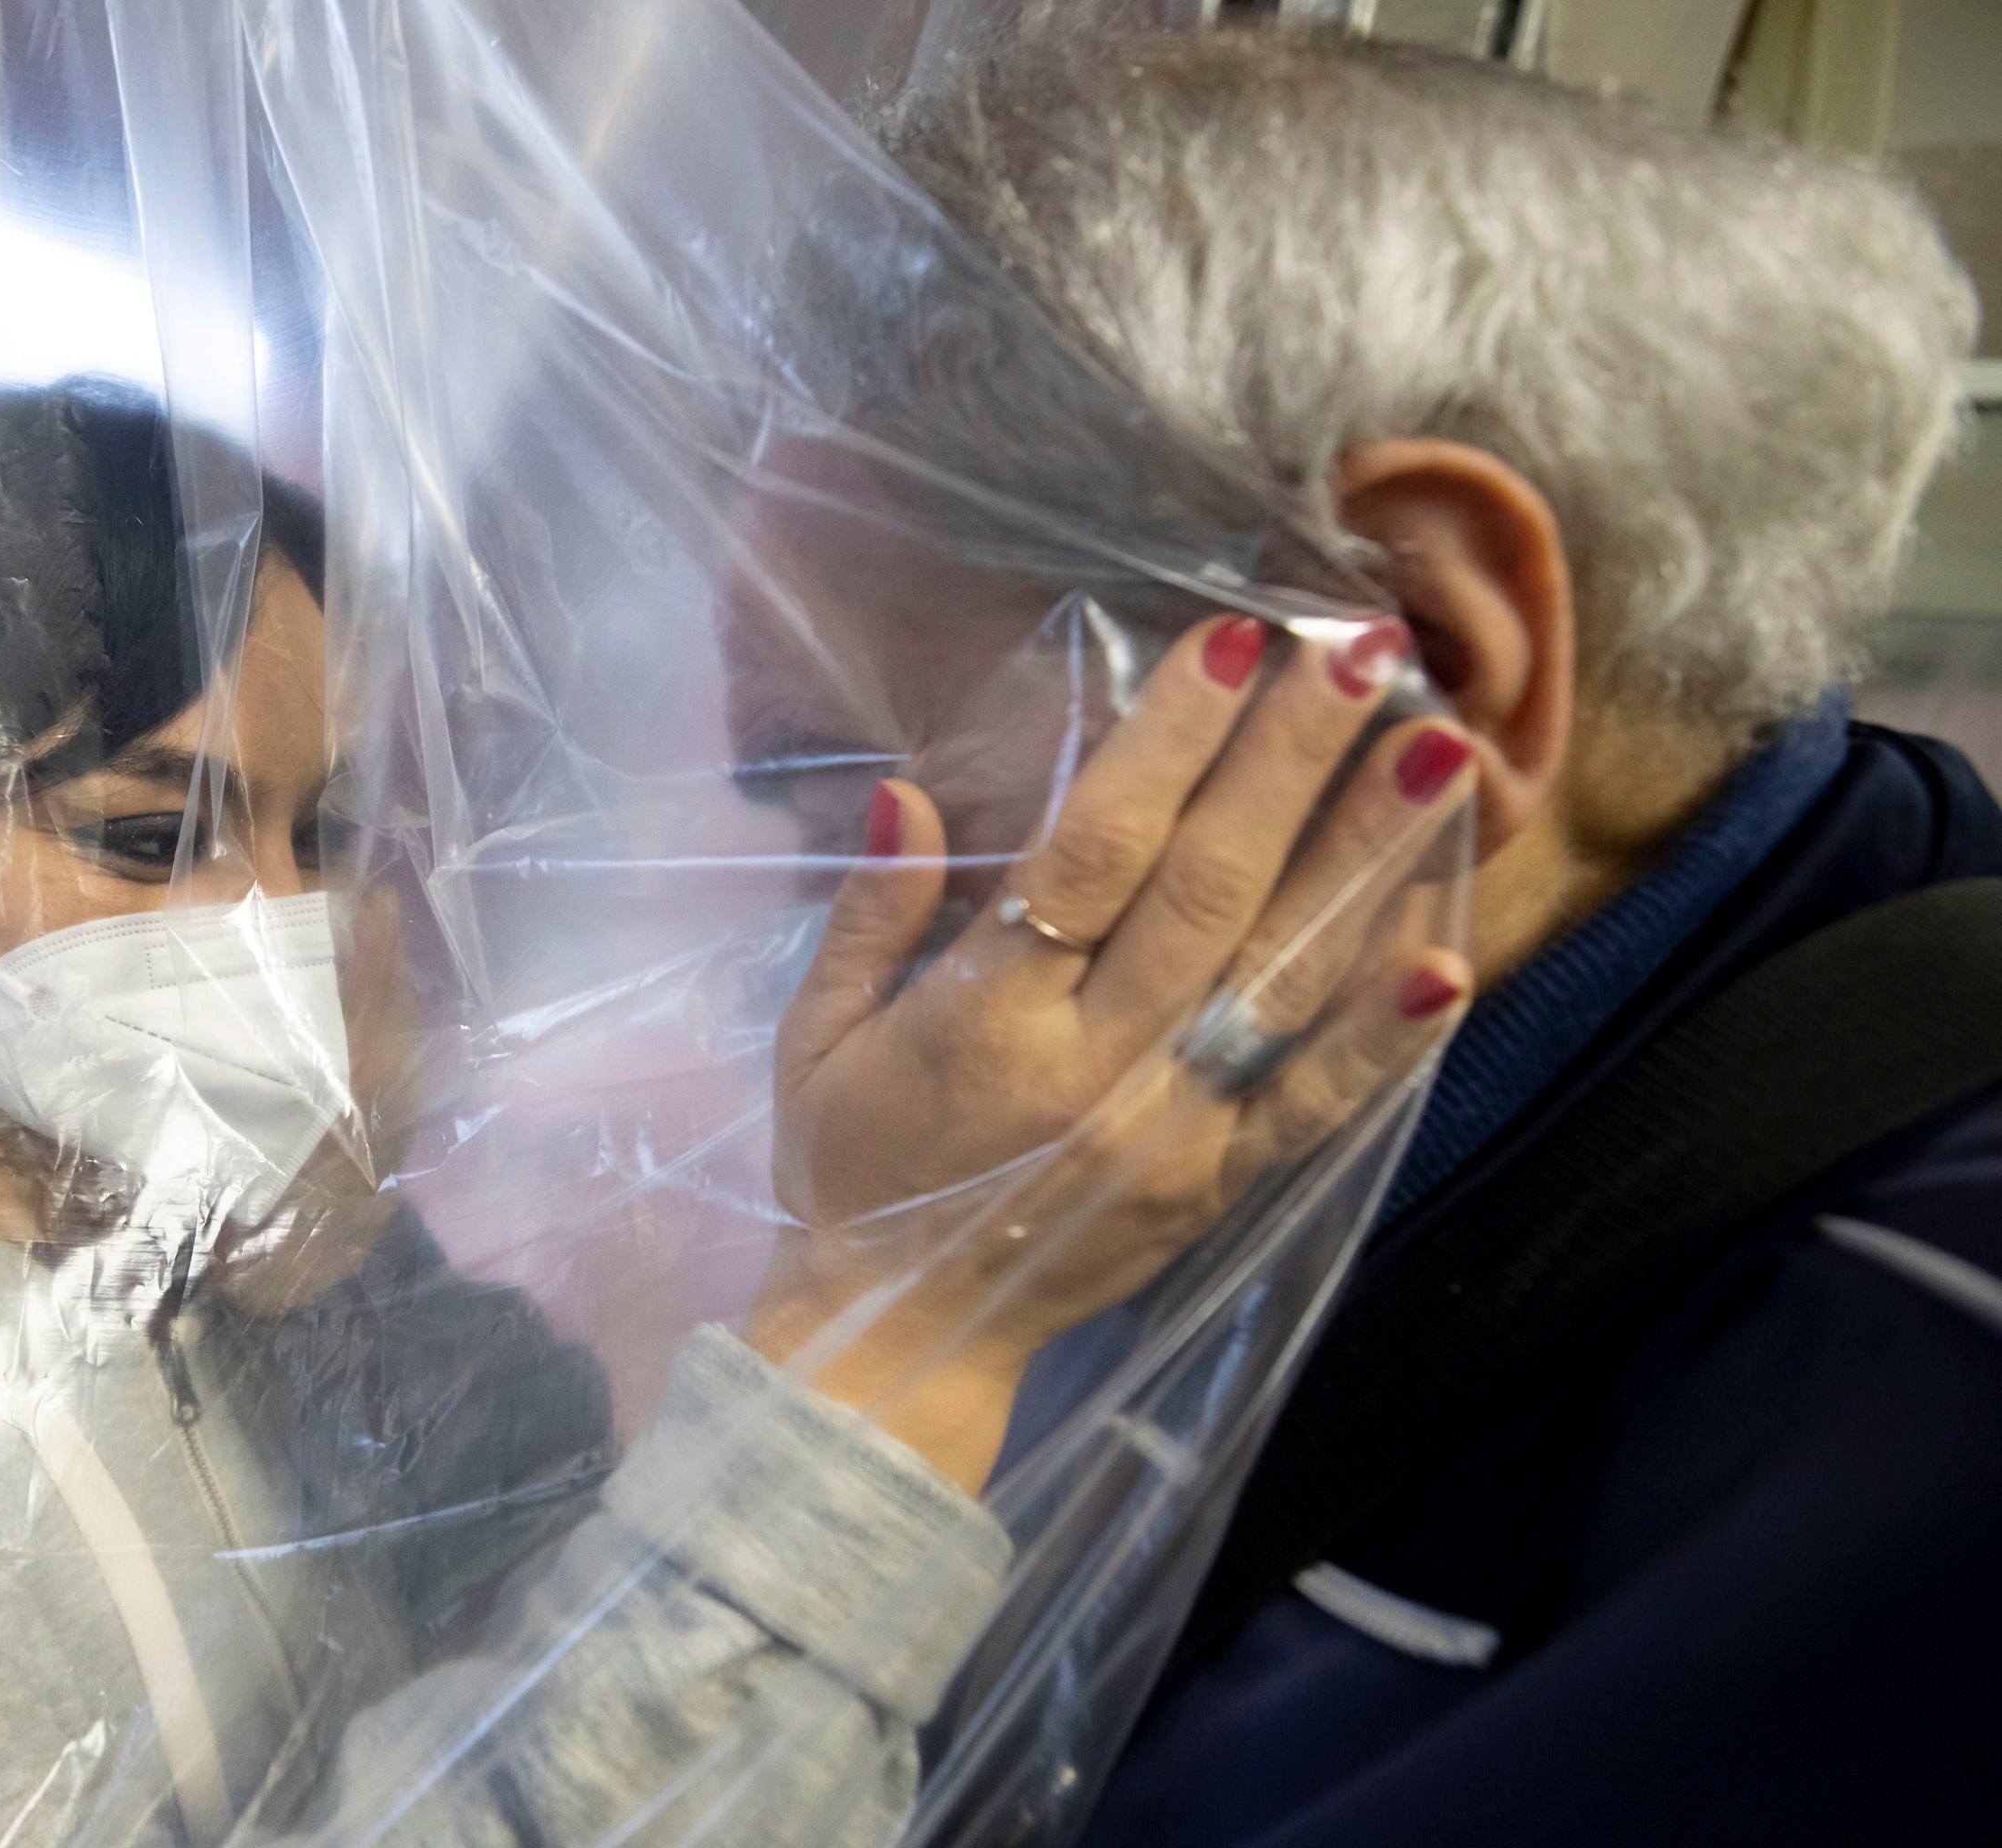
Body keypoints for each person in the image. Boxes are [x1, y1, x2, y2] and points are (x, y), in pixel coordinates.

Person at [0, 376, 1470, 1843]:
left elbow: (566, 1614)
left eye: (324, 831)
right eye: (142, 833)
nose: (278, 927)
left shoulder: (240, 1273)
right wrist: (885, 1345)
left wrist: (356, 1245)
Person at [771, 24, 1988, 1845]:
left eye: (838, 781)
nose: (799, 939)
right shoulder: (1247, 1157)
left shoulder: (1923, 1415)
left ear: (1407, 648)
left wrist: (864, 1342)